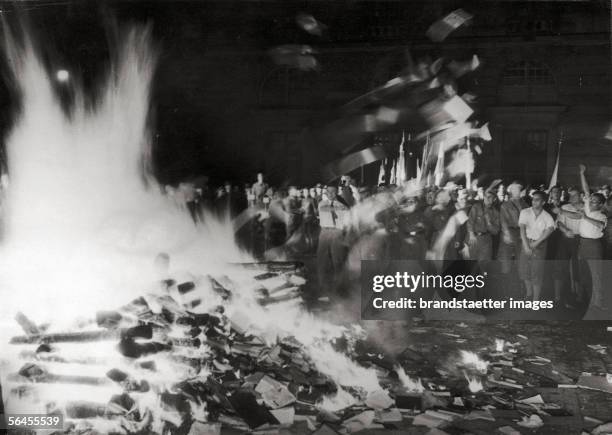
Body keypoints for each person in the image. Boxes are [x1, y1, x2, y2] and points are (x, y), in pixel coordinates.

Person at [576, 165, 607, 310]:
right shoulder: (588, 208)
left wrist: (585, 217)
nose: (591, 202)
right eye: (591, 200)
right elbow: (586, 190)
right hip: (583, 244)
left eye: (594, 201)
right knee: (583, 272)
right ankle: (585, 299)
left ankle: (598, 302)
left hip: (594, 246)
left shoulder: (602, 215)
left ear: (601, 204)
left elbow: (600, 225)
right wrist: (582, 173)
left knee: (596, 274)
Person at [518, 190, 555, 301]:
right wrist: (526, 245)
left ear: (543, 202)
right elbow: (522, 229)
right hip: (526, 242)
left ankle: (535, 299)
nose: (534, 201)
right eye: (533, 199)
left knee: (537, 271)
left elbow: (550, 229)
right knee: (525, 270)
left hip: (540, 245)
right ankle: (529, 294)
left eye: (537, 199)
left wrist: (535, 243)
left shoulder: (547, 216)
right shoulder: (525, 212)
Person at [316, 186, 350, 295]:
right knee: (322, 259)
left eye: (333, 192)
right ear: (325, 193)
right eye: (328, 192)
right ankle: (322, 285)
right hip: (325, 232)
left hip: (337, 232)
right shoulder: (322, 203)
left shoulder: (342, 205)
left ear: (336, 193)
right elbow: (324, 209)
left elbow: (347, 219)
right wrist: (340, 208)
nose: (330, 194)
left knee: (338, 259)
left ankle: (339, 285)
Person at [554, 186, 583, 306]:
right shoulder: (565, 206)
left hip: (580, 240)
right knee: (560, 265)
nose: (571, 197)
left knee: (578, 268)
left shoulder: (586, 207)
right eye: (570, 195)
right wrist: (565, 230)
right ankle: (557, 297)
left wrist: (560, 211)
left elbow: (578, 216)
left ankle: (579, 297)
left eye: (574, 195)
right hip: (565, 239)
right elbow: (559, 222)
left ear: (581, 195)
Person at [498, 181, 528, 274]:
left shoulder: (525, 204)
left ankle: (520, 280)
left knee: (521, 259)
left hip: (522, 233)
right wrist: (506, 234)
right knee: (506, 260)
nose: (517, 191)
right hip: (510, 232)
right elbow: (503, 221)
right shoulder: (505, 205)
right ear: (511, 191)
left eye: (519, 189)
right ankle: (506, 280)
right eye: (515, 189)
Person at [467, 190, 500, 262]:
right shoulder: (476, 207)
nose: (487, 198)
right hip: (474, 238)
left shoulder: (496, 213)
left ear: (494, 199)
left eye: (490, 197)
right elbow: (470, 222)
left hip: (486, 240)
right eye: (485, 196)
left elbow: (496, 231)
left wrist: (489, 223)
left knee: (484, 264)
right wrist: (471, 235)